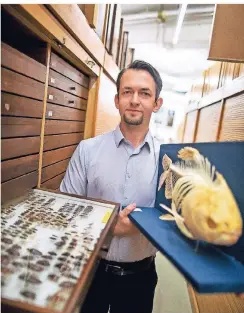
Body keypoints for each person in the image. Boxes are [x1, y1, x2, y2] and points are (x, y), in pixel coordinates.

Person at [60, 60, 163, 313]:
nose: (135, 100)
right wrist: (108, 226)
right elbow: (64, 210)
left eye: (145, 93)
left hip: (140, 278)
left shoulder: (168, 161)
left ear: (157, 103)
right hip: (89, 273)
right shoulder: (88, 150)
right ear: (117, 100)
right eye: (127, 92)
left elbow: (170, 219)